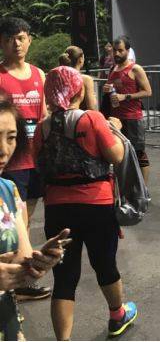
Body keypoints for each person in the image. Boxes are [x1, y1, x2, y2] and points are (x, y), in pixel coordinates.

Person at [32, 67, 138, 340]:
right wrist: (115, 130)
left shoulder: (42, 127)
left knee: (64, 277)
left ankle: (64, 339)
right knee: (104, 264)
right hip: (96, 205)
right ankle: (117, 315)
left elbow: (38, 163)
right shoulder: (92, 119)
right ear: (78, 90)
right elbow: (115, 155)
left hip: (57, 208)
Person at [0, 94, 68, 339]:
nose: (3, 150)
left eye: (11, 138)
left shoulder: (8, 192)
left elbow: (22, 262)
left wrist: (38, 262)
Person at [0, 17, 50, 300]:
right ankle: (14, 280)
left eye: (20, 38)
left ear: (29, 40)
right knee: (10, 221)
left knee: (25, 220)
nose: (16, 44)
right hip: (11, 161)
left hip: (36, 159)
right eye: (9, 39)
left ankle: (19, 279)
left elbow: (44, 115)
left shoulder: (39, 75)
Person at [102, 36, 153, 184]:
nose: (116, 54)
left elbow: (148, 92)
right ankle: (125, 188)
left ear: (128, 51)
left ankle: (143, 189)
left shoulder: (135, 69)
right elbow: (112, 90)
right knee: (119, 155)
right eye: (114, 50)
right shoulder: (112, 69)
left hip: (132, 119)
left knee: (139, 154)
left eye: (120, 50)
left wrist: (125, 96)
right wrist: (107, 89)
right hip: (115, 120)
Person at [59, 46, 97, 111]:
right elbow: (91, 107)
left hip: (61, 115)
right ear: (80, 59)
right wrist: (94, 99)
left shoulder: (59, 78)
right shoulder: (86, 79)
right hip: (80, 116)